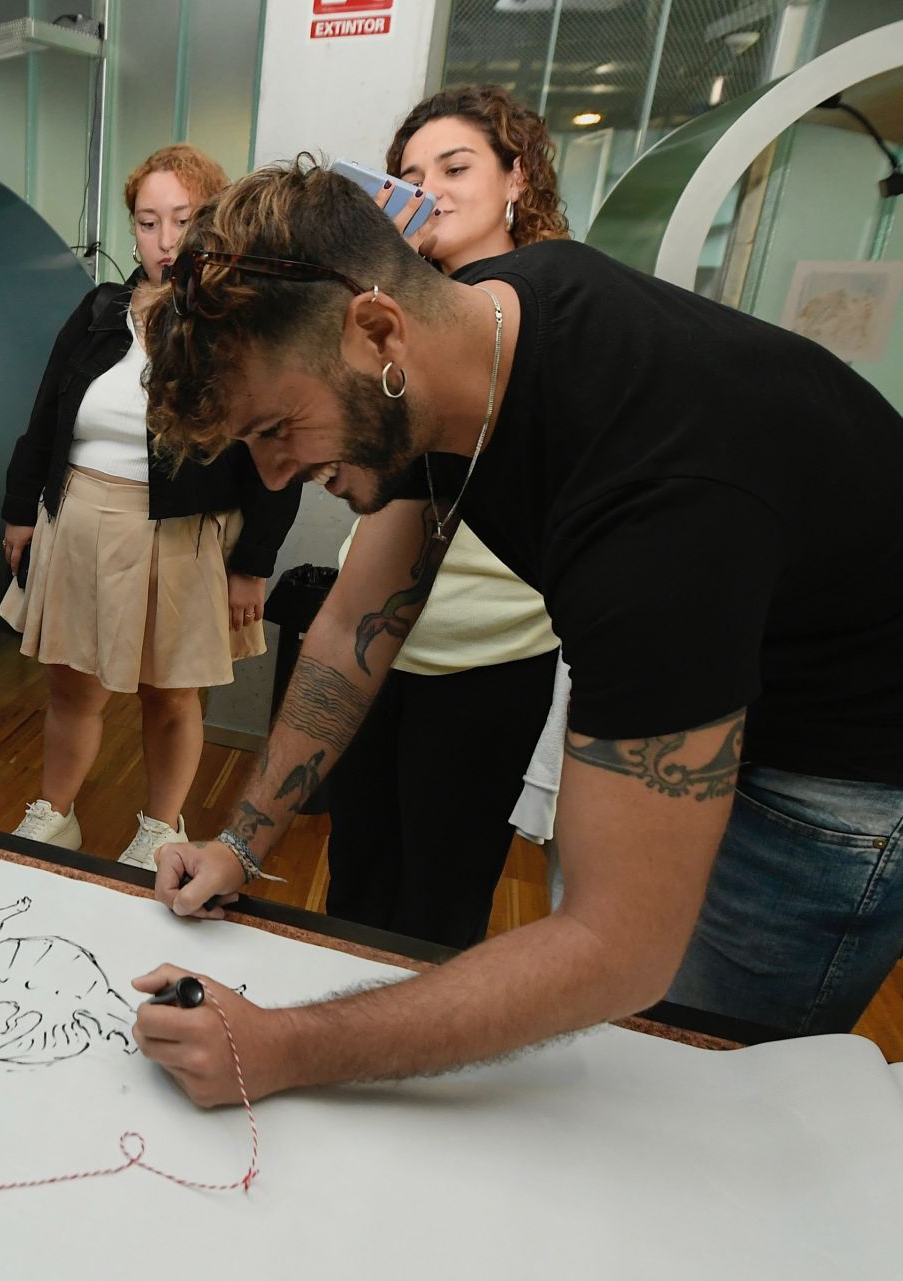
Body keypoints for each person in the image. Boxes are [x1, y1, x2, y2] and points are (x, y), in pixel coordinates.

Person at [128, 154, 903, 1107]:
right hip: (735, 665)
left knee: (691, 1097)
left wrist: (281, 1048)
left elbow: (617, 947)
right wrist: (242, 845)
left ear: (377, 330)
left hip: (842, 775)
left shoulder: (657, 515)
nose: (277, 475)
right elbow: (356, 625)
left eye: (277, 426)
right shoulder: (461, 342)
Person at [0, 144, 301, 868]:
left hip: (183, 535)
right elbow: (46, 416)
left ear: (214, 222)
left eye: (183, 220)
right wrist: (19, 508)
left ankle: (160, 825)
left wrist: (252, 564)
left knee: (171, 695)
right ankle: (56, 813)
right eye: (146, 222)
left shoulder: (240, 323)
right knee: (71, 685)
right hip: (76, 518)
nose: (166, 242)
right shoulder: (100, 308)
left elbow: (276, 458)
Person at [318, 86, 566, 949]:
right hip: (378, 640)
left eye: (456, 167)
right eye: (409, 175)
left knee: (443, 894)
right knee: (355, 868)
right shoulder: (388, 311)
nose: (431, 190)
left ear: (516, 178)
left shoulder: (551, 315)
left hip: (492, 654)